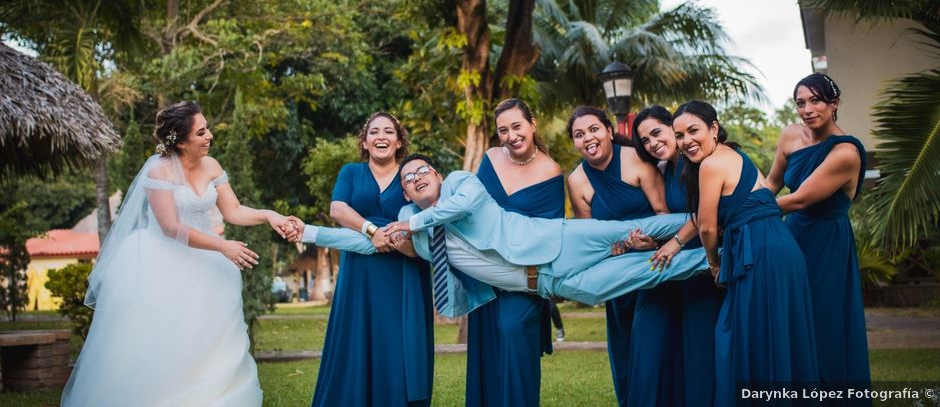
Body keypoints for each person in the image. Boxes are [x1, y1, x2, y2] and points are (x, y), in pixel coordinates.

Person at [62, 101, 295, 406]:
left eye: (207, 127)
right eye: (201, 132)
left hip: (208, 266)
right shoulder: (159, 172)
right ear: (181, 141)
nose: (209, 135)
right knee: (169, 343)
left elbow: (233, 211)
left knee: (212, 342)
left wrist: (268, 215)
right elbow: (171, 227)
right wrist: (222, 245)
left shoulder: (212, 165)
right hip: (164, 265)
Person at [290, 155, 708, 312]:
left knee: (638, 229)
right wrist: (307, 231)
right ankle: (713, 258)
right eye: (408, 179)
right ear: (404, 193)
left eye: (421, 171)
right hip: (549, 281)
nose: (416, 179)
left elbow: (463, 207)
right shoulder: (415, 237)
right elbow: (364, 241)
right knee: (650, 272)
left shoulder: (458, 183)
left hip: (560, 240)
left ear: (435, 174)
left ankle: (715, 213)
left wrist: (412, 221)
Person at [672, 100, 819, 404]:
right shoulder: (736, 155)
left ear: (714, 129)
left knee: (744, 334)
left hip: (763, 253)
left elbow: (708, 228)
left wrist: (714, 265)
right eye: (679, 135)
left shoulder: (712, 165)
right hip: (779, 248)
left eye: (693, 130)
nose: (686, 141)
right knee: (772, 335)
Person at [310, 112, 433, 407]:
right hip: (359, 273)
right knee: (356, 340)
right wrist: (371, 230)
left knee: (397, 343)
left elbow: (430, 208)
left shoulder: (410, 174)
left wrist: (402, 242)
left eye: (389, 131)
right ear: (364, 142)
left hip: (403, 270)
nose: (381, 137)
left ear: (399, 140)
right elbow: (338, 209)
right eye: (374, 132)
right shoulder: (351, 173)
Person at [565, 106, 678, 407]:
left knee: (651, 343)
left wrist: (650, 242)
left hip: (654, 265)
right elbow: (588, 236)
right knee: (626, 348)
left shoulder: (637, 160)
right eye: (579, 135)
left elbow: (664, 214)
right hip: (615, 275)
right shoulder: (577, 181)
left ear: (608, 131)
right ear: (575, 143)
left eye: (593, 129)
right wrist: (608, 250)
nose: (588, 138)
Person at [766, 74, 871, 388]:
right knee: (790, 317)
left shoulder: (846, 152)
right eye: (801, 102)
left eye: (816, 100)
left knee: (822, 320)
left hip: (827, 243)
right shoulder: (789, 136)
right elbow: (772, 184)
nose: (807, 109)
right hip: (792, 235)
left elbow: (797, 199)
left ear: (834, 103)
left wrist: (744, 214)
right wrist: (739, 200)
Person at [466, 99, 564, 407]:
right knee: (488, 351)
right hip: (483, 274)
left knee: (512, 334)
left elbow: (548, 236)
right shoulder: (492, 157)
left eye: (517, 126)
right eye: (503, 130)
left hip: (523, 277)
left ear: (533, 124)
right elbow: (473, 207)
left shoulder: (551, 171)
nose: (511, 136)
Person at [633, 106, 724, 407]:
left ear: (673, 128)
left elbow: (706, 214)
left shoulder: (698, 162)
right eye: (645, 140)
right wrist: (653, 242)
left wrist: (674, 242)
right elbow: (674, 217)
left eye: (656, 132)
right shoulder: (666, 170)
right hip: (678, 267)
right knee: (678, 345)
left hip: (704, 262)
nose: (652, 143)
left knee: (701, 345)